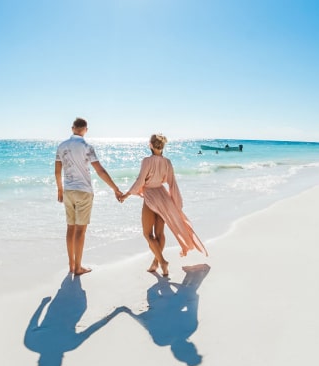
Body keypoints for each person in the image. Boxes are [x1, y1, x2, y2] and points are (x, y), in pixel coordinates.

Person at [119, 134, 207, 277]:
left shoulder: (146, 161)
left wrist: (126, 195)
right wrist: (176, 203)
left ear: (150, 145)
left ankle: (162, 261)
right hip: (164, 197)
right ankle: (155, 263)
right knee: (160, 234)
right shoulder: (167, 162)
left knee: (148, 234)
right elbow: (172, 183)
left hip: (151, 197)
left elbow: (140, 180)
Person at [55, 117, 122, 275]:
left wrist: (60, 189)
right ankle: (78, 267)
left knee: (70, 228)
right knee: (80, 231)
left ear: (72, 128)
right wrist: (115, 188)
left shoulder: (62, 146)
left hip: (68, 191)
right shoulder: (87, 147)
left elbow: (57, 171)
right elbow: (100, 170)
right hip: (84, 191)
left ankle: (71, 264)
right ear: (85, 129)